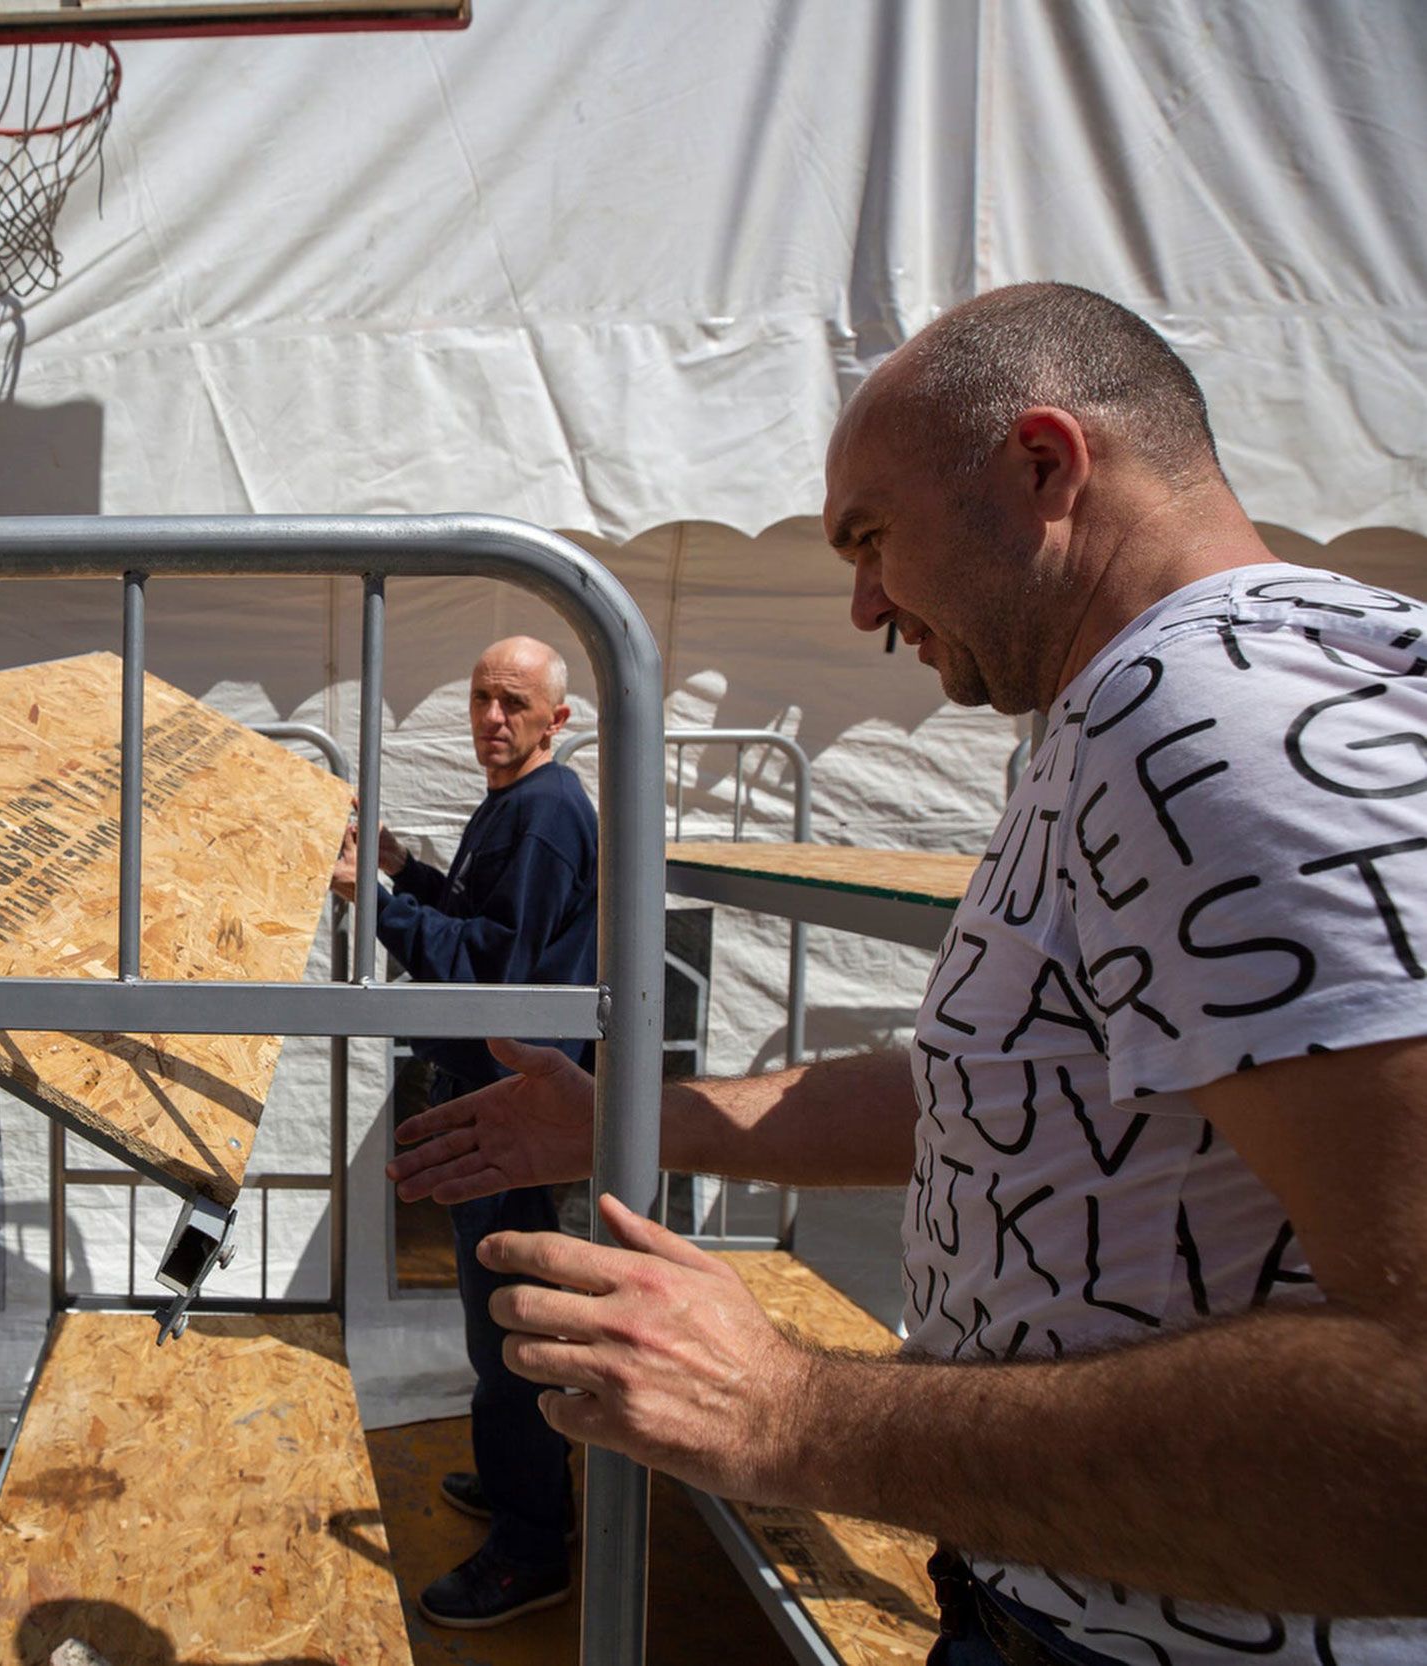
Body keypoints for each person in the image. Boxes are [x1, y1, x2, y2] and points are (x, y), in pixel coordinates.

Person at [387, 284, 1427, 1664]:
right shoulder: (1148, 706)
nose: (867, 603)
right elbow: (1001, 1086)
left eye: (871, 539)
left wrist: (786, 1410)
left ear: (1047, 465)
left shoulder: (1214, 725)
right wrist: (640, 1116)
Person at [331, 635, 599, 1629]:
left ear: (556, 719)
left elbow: (498, 972)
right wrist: (409, 870)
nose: (494, 717)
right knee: (501, 1317)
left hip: (514, 1109)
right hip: (500, 1096)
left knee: (506, 1334)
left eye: (515, 703)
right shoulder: (516, 806)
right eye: (483, 697)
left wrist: (380, 905)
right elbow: (485, 921)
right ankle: (525, 1481)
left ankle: (532, 1547)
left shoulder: (542, 815)